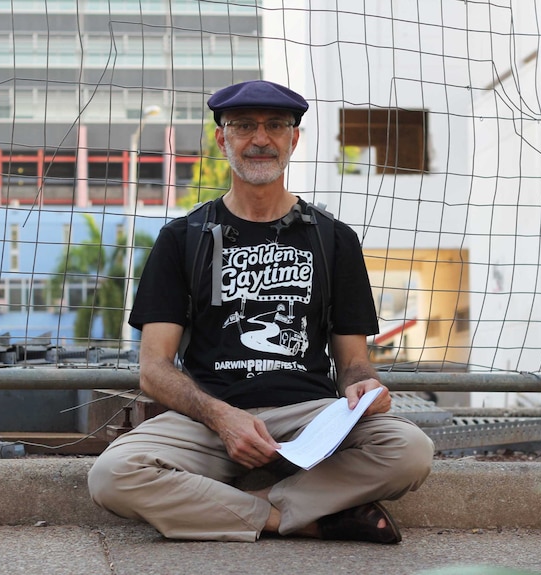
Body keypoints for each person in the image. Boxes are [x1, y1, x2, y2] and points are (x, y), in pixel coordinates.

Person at [88, 79, 434, 543]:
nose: (260, 139)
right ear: (222, 138)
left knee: (411, 449)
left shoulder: (333, 239)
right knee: (112, 474)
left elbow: (351, 363)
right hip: (207, 421)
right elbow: (153, 368)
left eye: (275, 125)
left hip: (309, 420)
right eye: (244, 126)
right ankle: (302, 518)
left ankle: (248, 510)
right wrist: (220, 416)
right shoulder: (182, 238)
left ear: (294, 138)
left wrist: (362, 388)